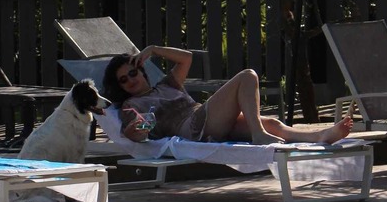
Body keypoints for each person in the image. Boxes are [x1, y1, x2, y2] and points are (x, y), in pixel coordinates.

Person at [101, 45, 353, 146]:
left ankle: (321, 136)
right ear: (120, 87)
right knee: (247, 76)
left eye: (132, 72)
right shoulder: (132, 104)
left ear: (141, 70)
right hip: (192, 127)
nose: (130, 80)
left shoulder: (168, 84)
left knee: (273, 124)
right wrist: (145, 124)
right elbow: (133, 132)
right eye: (123, 80)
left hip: (206, 119)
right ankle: (257, 136)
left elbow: (187, 58)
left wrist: (154, 49)